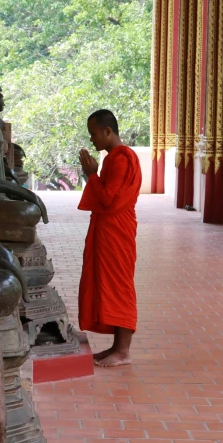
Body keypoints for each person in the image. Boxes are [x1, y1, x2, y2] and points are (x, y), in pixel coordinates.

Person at [78, 109, 142, 367]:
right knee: (111, 284)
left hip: (117, 230)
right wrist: (93, 175)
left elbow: (109, 199)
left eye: (94, 134)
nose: (92, 140)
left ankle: (123, 352)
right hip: (111, 229)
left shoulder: (120, 159)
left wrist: (92, 174)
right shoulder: (115, 158)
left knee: (119, 285)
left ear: (107, 131)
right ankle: (117, 347)